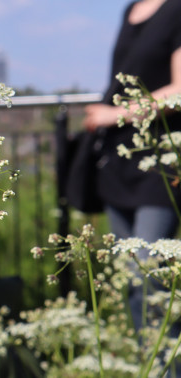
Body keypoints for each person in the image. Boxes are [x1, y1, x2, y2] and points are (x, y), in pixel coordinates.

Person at [83, 0, 181, 330]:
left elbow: (179, 91)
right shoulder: (131, 10)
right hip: (119, 161)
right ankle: (146, 360)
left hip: (161, 161)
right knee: (131, 277)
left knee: (150, 272)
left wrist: (115, 114)